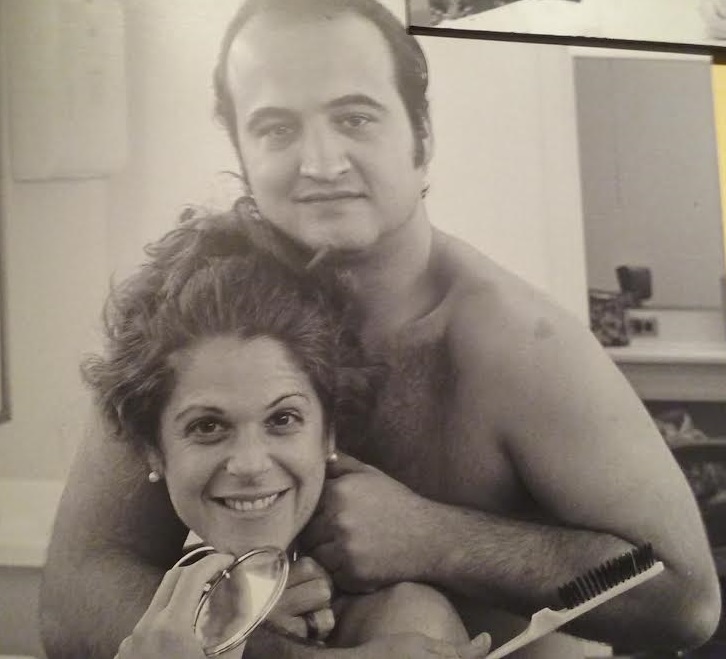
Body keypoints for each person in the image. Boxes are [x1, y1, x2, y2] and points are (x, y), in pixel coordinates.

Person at [41, 0, 721, 657]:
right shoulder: (202, 312)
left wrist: (436, 539)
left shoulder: (517, 343)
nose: (320, 163)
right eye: (276, 128)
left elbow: (687, 601)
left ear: (421, 138)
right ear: (241, 150)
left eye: (355, 118)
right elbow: (76, 593)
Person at [83, 211, 491, 659]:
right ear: (154, 452)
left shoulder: (405, 625)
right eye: (208, 426)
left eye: (282, 419)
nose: (250, 464)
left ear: (328, 433)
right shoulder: (177, 623)